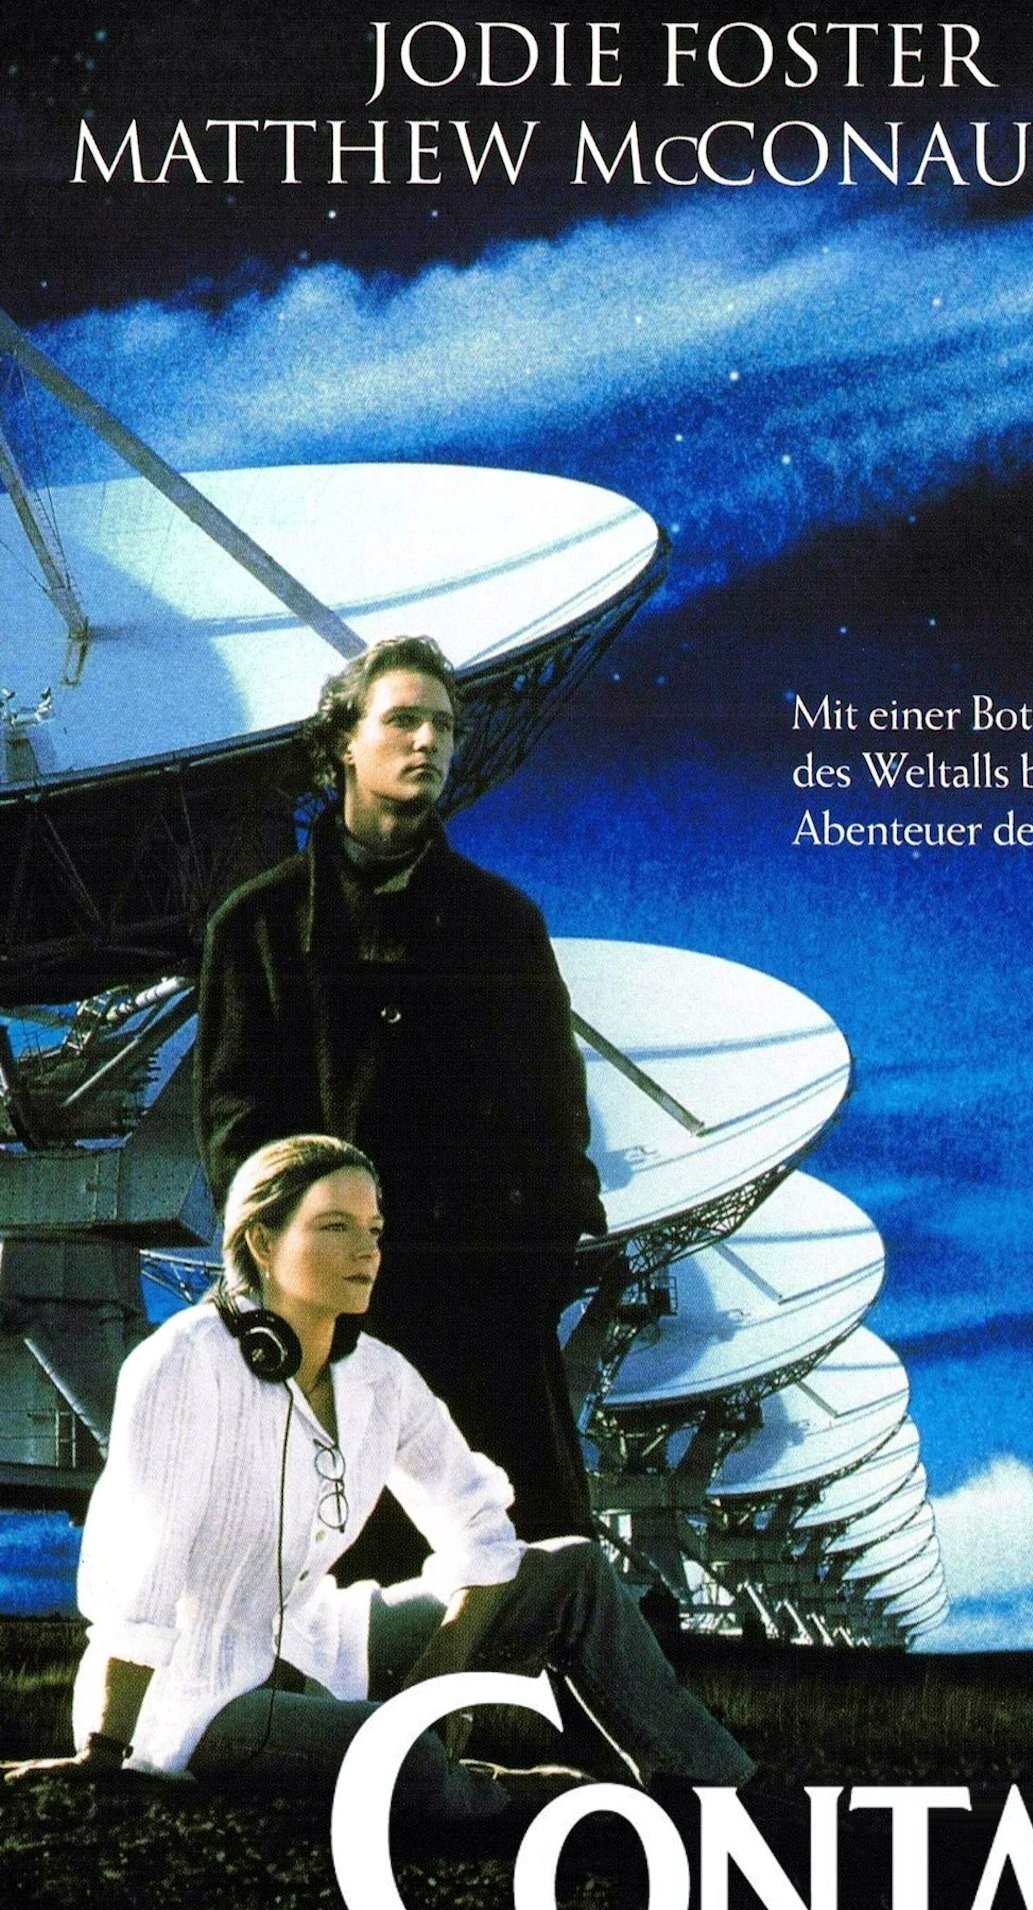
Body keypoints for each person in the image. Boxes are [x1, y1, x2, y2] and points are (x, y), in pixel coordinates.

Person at [4, 1137, 752, 1817]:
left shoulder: (379, 1379)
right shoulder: (184, 1364)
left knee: (574, 1573)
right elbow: (141, 1577)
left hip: (322, 1642)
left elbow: (480, 1528)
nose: (365, 1249)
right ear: (262, 1241)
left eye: (374, 1229)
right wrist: (103, 1752)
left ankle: (721, 1791)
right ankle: (559, 1808)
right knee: (406, 1764)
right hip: (199, 1700)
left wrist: (439, 1677)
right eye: (335, 1227)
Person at [194, 635, 606, 1575]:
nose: (429, 742)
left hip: (485, 1323)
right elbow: (238, 1135)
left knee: (520, 1579)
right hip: (335, 1323)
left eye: (445, 726)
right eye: (404, 719)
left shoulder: (504, 927)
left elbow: (555, 1122)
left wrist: (539, 1264)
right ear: (346, 740)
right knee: (333, 1595)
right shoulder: (255, 928)